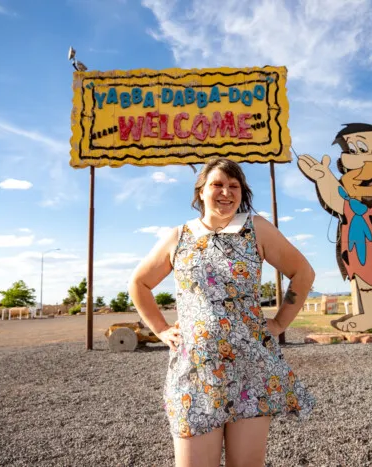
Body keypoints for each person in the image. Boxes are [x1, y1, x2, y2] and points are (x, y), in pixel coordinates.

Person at [129, 158, 316, 466]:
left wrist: (281, 322)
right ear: (201, 191)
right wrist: (161, 329)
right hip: (195, 373)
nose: (226, 192)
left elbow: (303, 273)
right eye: (217, 185)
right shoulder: (180, 236)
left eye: (234, 186)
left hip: (251, 371)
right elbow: (139, 283)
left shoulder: (256, 229)